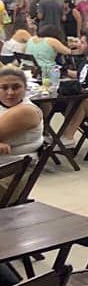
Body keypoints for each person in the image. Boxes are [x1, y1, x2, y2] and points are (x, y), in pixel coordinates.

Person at [0, 66, 44, 201]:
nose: (10, 93)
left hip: (10, 176)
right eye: (4, 87)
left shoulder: (26, 111)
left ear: (25, 88)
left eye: (16, 87)